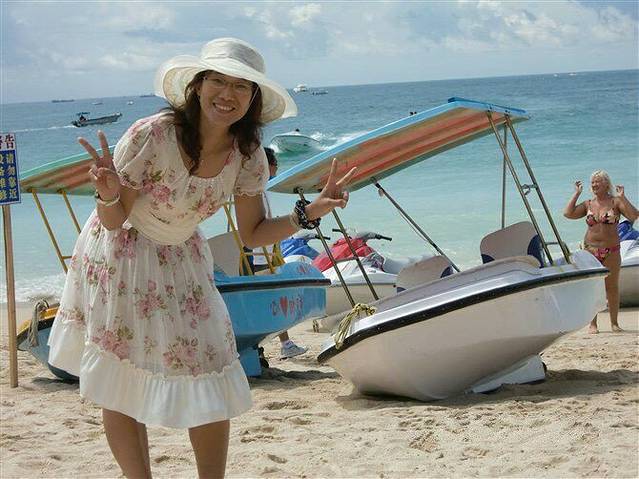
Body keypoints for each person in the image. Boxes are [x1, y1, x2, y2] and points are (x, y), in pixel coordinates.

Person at [47, 37, 355, 478]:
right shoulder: (152, 134)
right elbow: (114, 221)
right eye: (218, 81)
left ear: (253, 98)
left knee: (210, 369)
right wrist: (107, 193)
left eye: (241, 86)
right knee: (120, 378)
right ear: (197, 85)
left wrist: (308, 213)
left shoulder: (247, 155)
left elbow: (252, 234)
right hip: (122, 254)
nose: (227, 94)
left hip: (183, 258)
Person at [563, 170, 638, 334]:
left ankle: (614, 323)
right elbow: (568, 213)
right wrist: (576, 194)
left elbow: (634, 216)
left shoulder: (615, 202)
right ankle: (593, 324)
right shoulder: (588, 204)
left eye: (598, 181)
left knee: (612, 287)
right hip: (590, 250)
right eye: (593, 182)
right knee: (592, 287)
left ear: (606, 184)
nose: (594, 185)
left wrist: (623, 197)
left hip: (611, 250)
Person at [252, 147, 308, 359]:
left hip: (264, 251)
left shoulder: (259, 190)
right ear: (267, 165)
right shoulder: (256, 191)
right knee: (272, 299)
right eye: (275, 164)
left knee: (272, 299)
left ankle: (283, 344)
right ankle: (281, 345)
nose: (277, 169)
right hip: (259, 254)